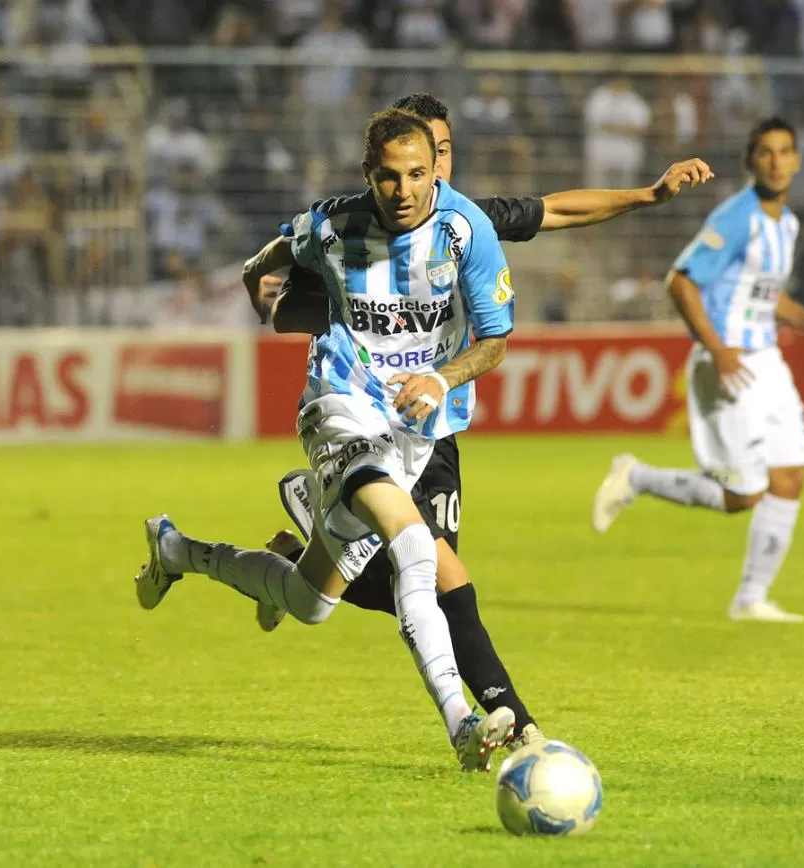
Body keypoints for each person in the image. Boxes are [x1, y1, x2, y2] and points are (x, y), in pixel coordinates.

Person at [250, 92, 713, 750]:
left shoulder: (471, 222)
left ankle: (300, 552)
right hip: (365, 413)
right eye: (412, 160)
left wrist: (648, 196)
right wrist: (269, 289)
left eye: (438, 156)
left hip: (431, 427)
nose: (426, 173)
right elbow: (294, 258)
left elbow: (557, 208)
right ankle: (516, 726)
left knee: (415, 586)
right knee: (443, 582)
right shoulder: (355, 225)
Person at [135, 108, 519, 772]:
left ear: (436, 171)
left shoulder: (465, 232)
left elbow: (495, 341)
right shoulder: (332, 226)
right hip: (337, 410)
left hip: (411, 433)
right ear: (368, 174)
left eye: (418, 175)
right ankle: (462, 723)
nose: (404, 190)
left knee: (309, 602)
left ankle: (177, 550)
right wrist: (265, 287)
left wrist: (440, 376)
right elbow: (267, 259)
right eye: (389, 177)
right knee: (413, 542)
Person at [592, 117, 804, 623]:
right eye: (766, 153)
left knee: (791, 476)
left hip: (767, 360)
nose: (776, 161)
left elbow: (768, 294)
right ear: (751, 161)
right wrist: (720, 348)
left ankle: (752, 598)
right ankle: (637, 476)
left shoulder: (788, 224)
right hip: (726, 362)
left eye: (785, 152)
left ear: (797, 161)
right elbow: (681, 281)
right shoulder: (736, 216)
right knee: (743, 494)